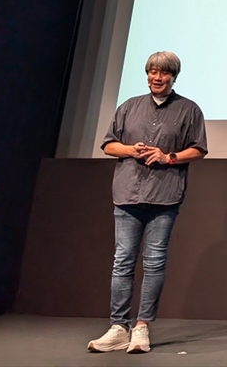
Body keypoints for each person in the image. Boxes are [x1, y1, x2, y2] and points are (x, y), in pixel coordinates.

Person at [87, 51, 207, 354]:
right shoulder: (129, 106)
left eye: (163, 73)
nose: (157, 77)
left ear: (173, 77)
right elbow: (108, 145)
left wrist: (168, 157)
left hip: (164, 196)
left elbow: (199, 149)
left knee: (154, 262)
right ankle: (118, 328)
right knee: (123, 261)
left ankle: (141, 328)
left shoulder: (189, 110)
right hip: (127, 194)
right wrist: (130, 150)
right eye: (152, 71)